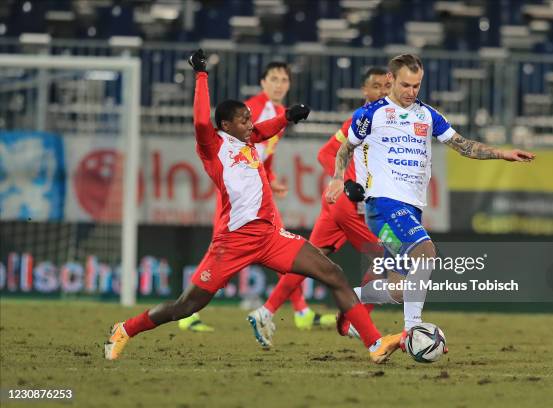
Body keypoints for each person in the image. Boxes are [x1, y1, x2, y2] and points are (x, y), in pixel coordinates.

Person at [105, 49, 401, 364]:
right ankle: (125, 328)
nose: (250, 124)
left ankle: (375, 344)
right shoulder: (211, 147)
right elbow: (200, 119)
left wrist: (287, 116)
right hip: (232, 241)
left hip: (270, 236)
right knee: (186, 306)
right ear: (225, 125)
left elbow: (265, 129)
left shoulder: (248, 141)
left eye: (250, 118)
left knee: (334, 274)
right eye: (244, 119)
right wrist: (201, 75)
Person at [326, 53, 535, 349]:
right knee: (425, 251)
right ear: (390, 81)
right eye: (406, 85)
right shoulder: (371, 115)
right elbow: (345, 150)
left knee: (400, 290)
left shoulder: (427, 116)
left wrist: (502, 153)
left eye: (417, 85)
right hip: (383, 206)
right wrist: (337, 178)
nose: (412, 92)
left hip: (409, 209)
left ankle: (352, 299)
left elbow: (463, 146)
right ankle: (414, 330)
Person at [178, 61, 334, 333]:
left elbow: (260, 152)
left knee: (278, 242)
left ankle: (301, 311)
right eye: (273, 78)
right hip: (237, 196)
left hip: (256, 191)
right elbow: (249, 140)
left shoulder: (275, 113)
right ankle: (187, 310)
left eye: (284, 79)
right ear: (262, 83)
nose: (279, 84)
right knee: (223, 249)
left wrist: (269, 179)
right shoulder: (253, 109)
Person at [248, 67, 400, 345]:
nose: (383, 92)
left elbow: (328, 152)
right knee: (389, 257)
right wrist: (344, 180)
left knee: (310, 260)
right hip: (350, 204)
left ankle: (265, 312)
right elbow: (326, 154)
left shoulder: (383, 120)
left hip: (341, 203)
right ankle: (357, 317)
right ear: (365, 91)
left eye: (387, 87)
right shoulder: (363, 120)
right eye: (376, 87)